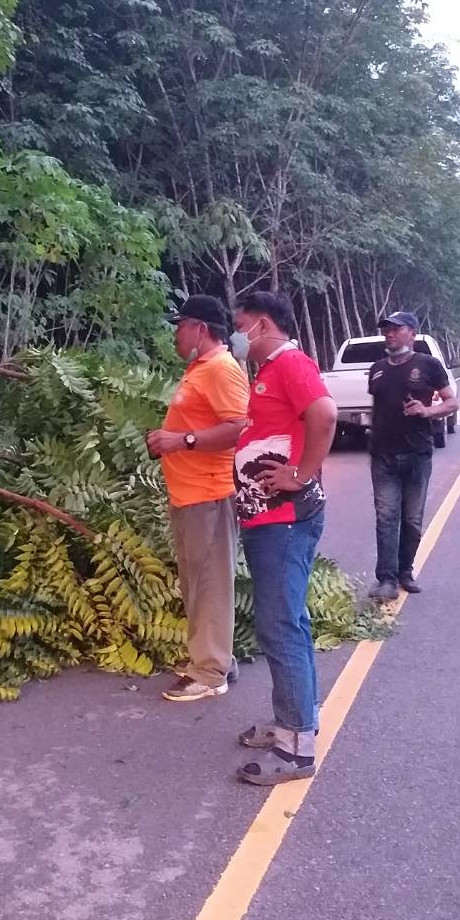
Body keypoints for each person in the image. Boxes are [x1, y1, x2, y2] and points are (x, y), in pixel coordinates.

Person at [229, 291, 337, 785]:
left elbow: (325, 414)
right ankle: (290, 722)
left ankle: (296, 749)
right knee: (286, 621)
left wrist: (301, 472)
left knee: (280, 625)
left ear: (263, 324)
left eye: (241, 325)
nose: (237, 335)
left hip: (286, 520)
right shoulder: (268, 371)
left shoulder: (291, 363)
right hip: (269, 520)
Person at [147, 295, 250, 702]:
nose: (176, 333)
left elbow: (239, 427)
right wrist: (168, 441)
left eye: (181, 325)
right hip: (189, 494)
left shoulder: (222, 369)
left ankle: (209, 674)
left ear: (201, 329)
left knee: (209, 584)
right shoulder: (200, 367)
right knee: (198, 583)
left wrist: (182, 440)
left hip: (209, 492)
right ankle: (214, 658)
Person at [366, 311, 458, 602]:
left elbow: (452, 402)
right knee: (386, 516)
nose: (389, 333)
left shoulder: (429, 365)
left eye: (396, 329)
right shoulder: (377, 368)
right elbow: (377, 406)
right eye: (386, 329)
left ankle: (405, 571)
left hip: (417, 453)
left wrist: (427, 411)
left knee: (413, 519)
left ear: (412, 333)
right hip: (382, 455)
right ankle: (387, 579)